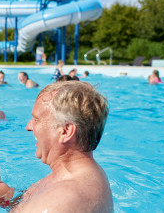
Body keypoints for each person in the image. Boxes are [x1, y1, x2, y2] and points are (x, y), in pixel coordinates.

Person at [13, 81, 113, 212]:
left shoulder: (61, 202)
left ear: (65, 131)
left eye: (36, 119)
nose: (28, 127)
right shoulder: (74, 174)